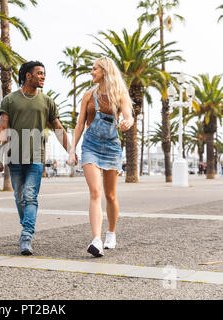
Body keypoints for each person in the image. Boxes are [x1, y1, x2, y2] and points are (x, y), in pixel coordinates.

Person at [0, 60, 75, 256]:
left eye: (44, 73)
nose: (43, 76)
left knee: (30, 196)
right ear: (28, 76)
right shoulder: (10, 100)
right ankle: (27, 227)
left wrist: (71, 151)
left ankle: (26, 235)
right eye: (39, 73)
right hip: (14, 155)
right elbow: (4, 128)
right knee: (19, 197)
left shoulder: (47, 102)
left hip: (36, 157)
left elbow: (58, 129)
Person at [67, 57, 134, 258]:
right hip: (91, 146)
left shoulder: (120, 95)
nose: (91, 72)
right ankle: (96, 239)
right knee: (95, 192)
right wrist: (72, 150)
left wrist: (128, 122)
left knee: (110, 195)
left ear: (104, 70)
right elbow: (80, 124)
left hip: (112, 147)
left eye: (94, 68)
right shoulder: (88, 95)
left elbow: (128, 115)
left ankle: (111, 233)